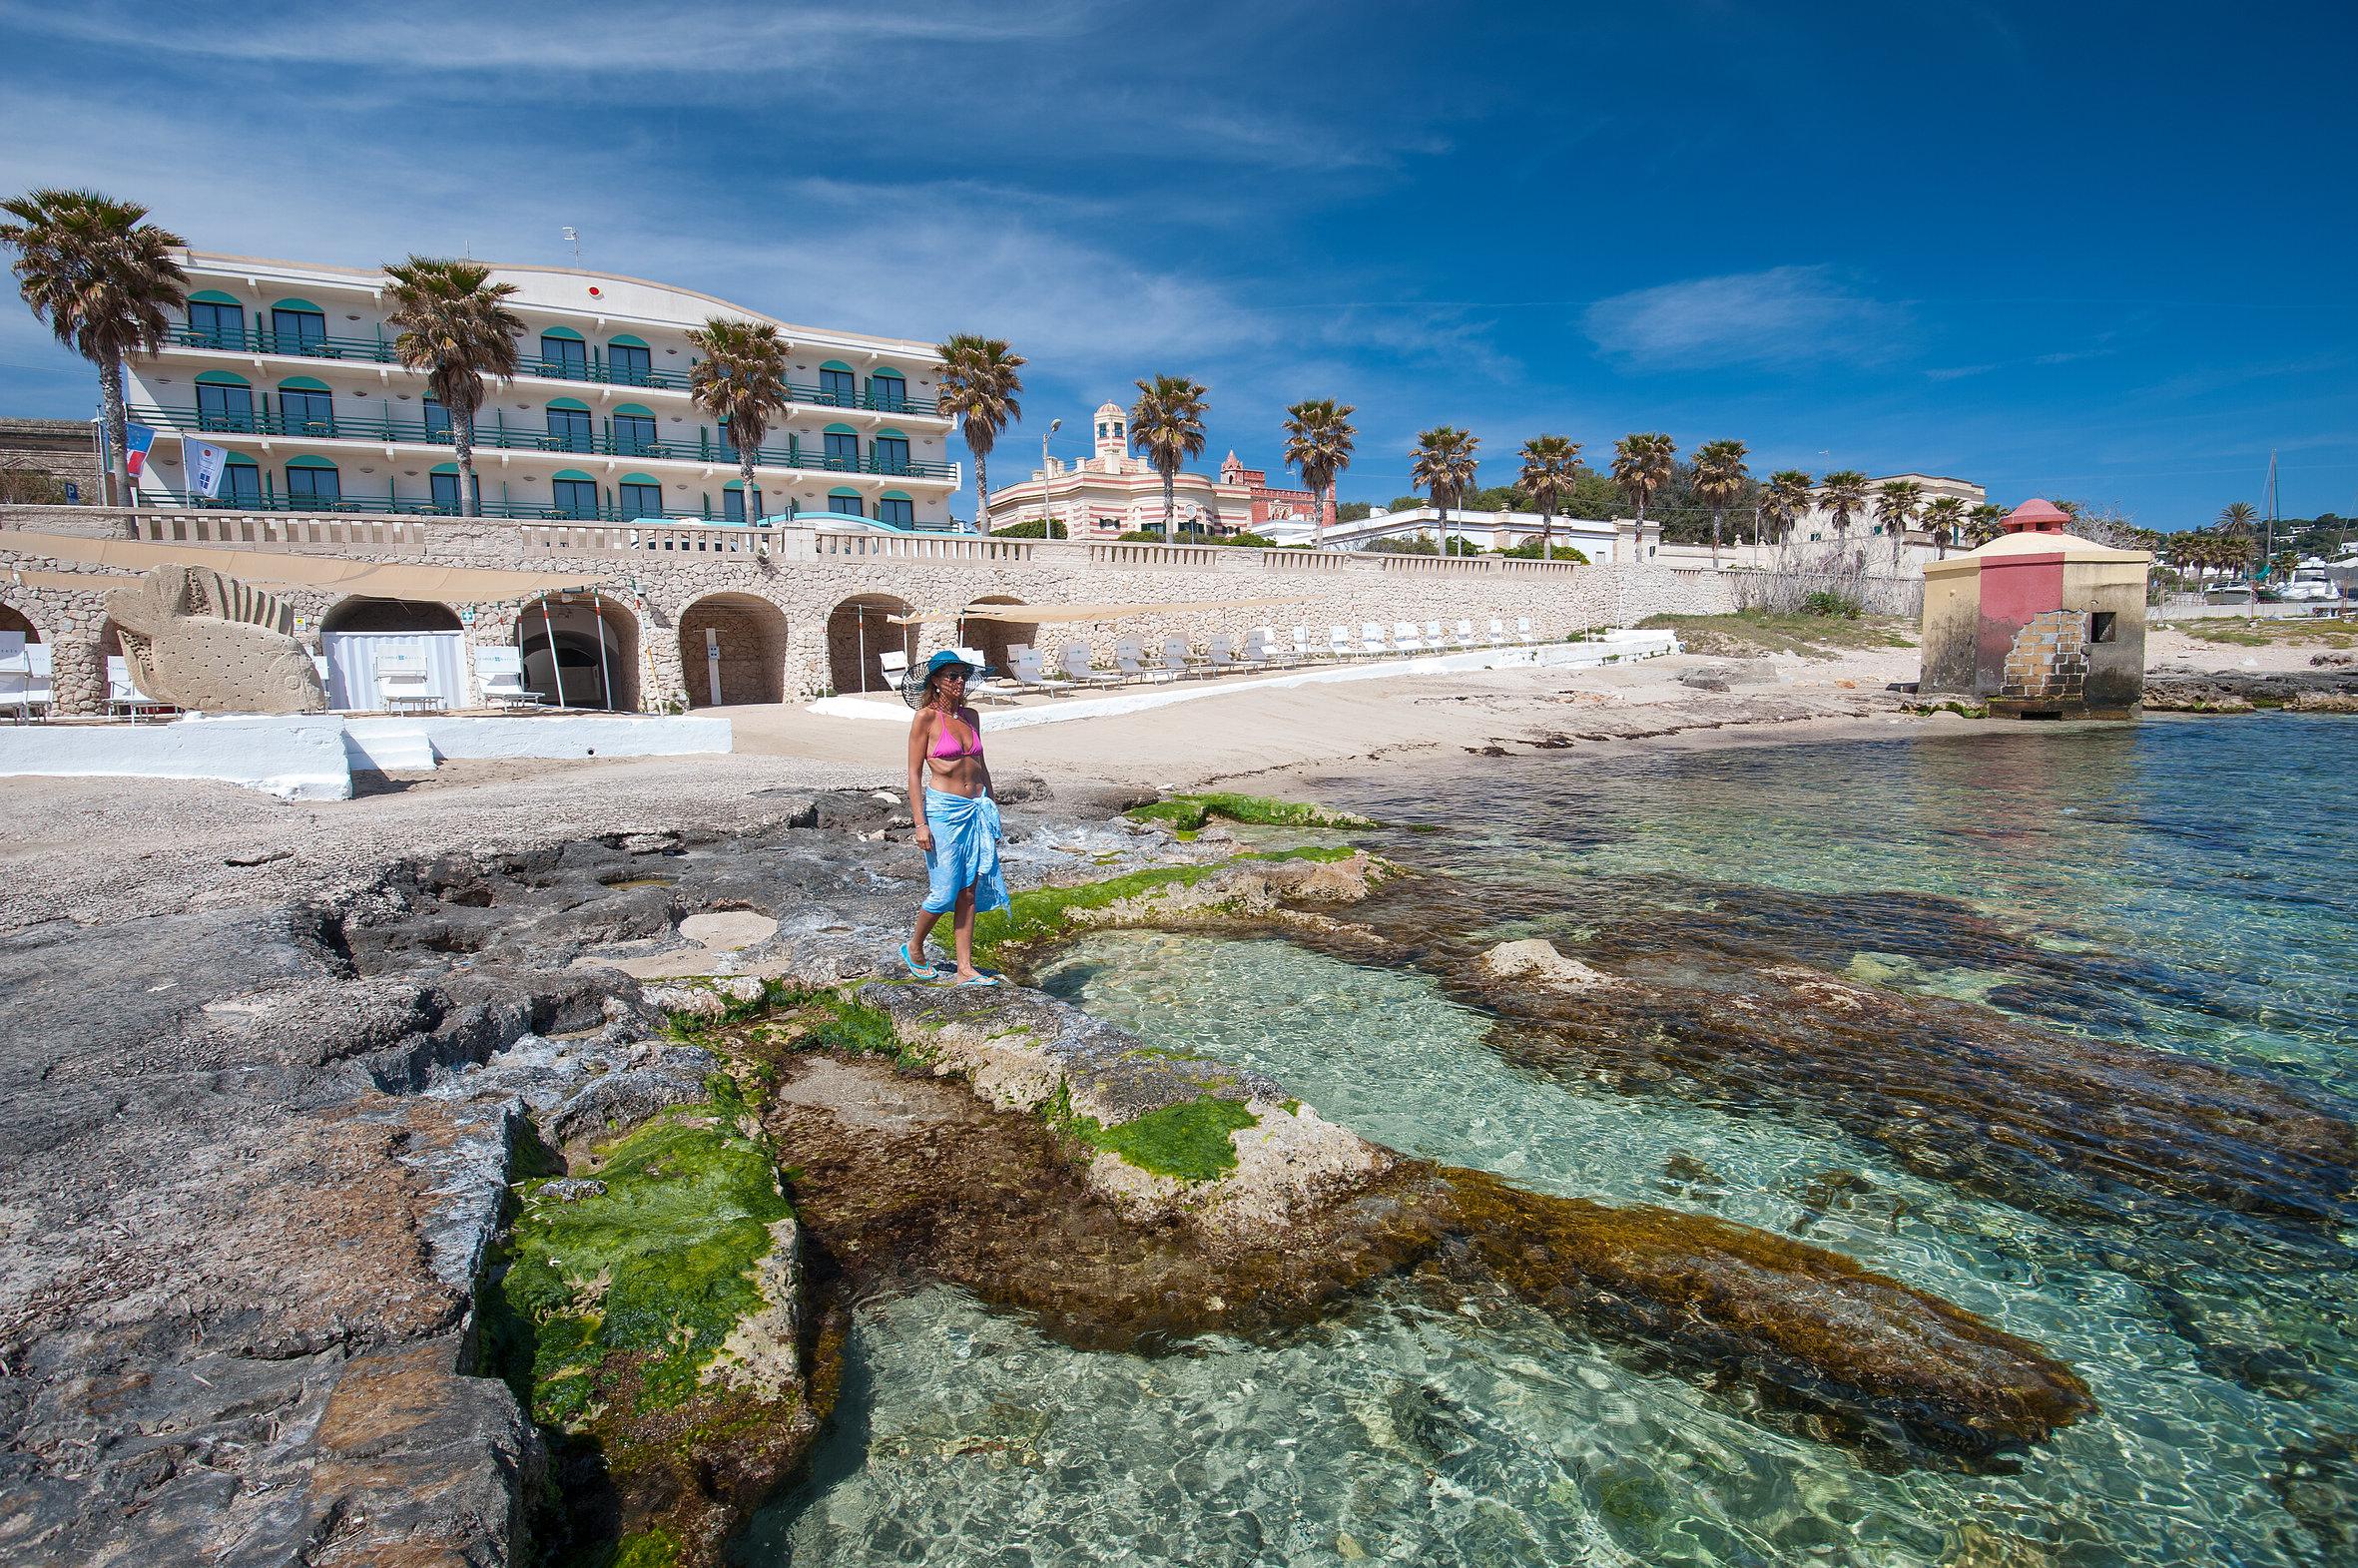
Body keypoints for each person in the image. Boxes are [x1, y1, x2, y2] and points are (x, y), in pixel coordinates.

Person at [901, 650, 1006, 984]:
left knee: (970, 890)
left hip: (976, 809)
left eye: (963, 675)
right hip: (944, 811)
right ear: (936, 680)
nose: (960, 681)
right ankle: (915, 947)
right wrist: (920, 824)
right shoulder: (926, 719)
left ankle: (964, 968)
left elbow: (981, 766)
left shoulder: (971, 717)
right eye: (952, 676)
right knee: (946, 890)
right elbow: (913, 774)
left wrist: (993, 809)